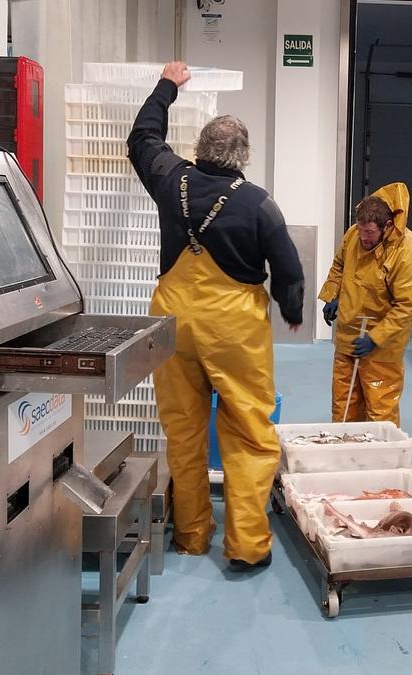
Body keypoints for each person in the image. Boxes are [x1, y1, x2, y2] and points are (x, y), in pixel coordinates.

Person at [128, 61, 304, 569]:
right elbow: (288, 270)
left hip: (173, 327)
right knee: (249, 430)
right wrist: (290, 309)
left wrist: (168, 86)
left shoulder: (170, 179)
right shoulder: (258, 204)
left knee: (182, 431)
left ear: (200, 151)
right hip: (235, 333)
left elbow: (143, 137)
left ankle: (190, 535)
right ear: (243, 157)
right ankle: (247, 546)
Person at [319, 183, 412, 426]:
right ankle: (345, 453)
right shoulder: (354, 235)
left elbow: (405, 306)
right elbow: (339, 265)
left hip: (382, 346)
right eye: (360, 230)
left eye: (369, 233)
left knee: (380, 407)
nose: (363, 238)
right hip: (349, 335)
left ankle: (379, 457)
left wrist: (376, 337)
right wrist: (332, 294)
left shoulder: (407, 252)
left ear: (387, 226)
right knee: (344, 403)